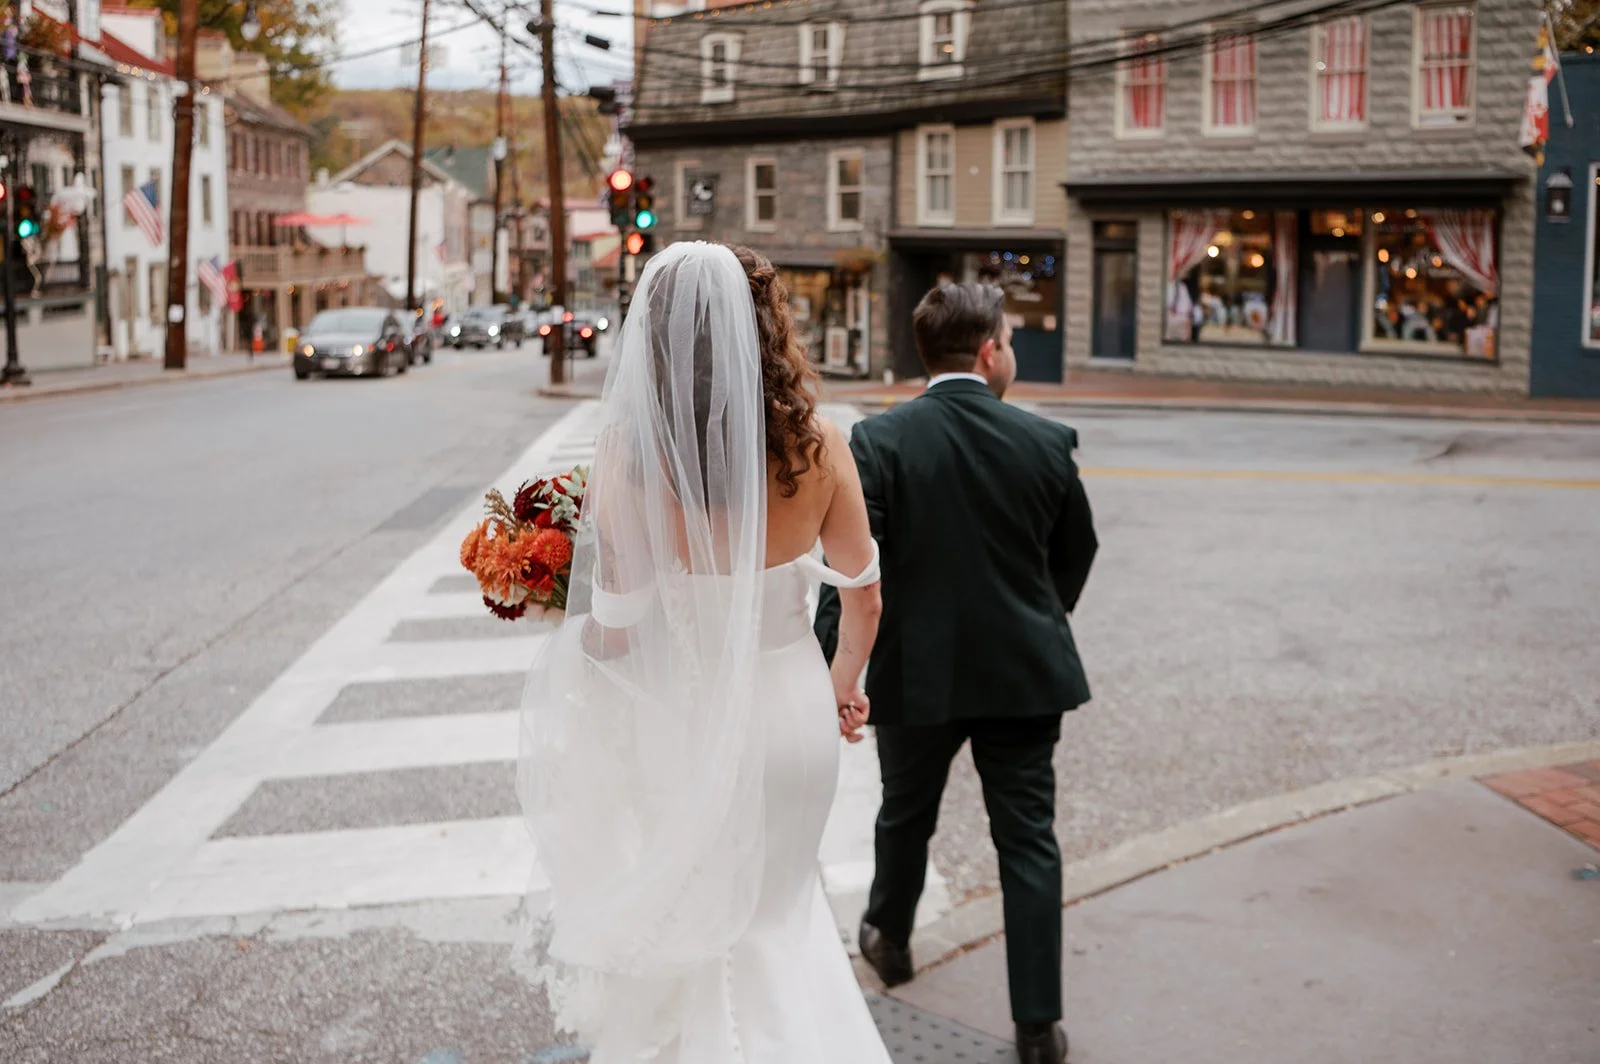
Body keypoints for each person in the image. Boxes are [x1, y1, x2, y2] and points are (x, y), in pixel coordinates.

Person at [514, 242, 890, 1064]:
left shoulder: (630, 458)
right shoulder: (821, 446)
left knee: (704, 919)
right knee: (784, 914)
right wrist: (840, 685)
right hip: (795, 716)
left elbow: (618, 629)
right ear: (765, 330)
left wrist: (562, 615)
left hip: (689, 720)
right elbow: (864, 597)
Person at [816, 283, 1098, 1064]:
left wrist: (834, 668)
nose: (1010, 353)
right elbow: (1075, 553)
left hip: (918, 672)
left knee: (905, 812)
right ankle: (1037, 1026)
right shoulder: (1045, 442)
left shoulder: (880, 442)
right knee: (1028, 840)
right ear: (987, 351)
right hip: (1024, 673)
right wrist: (1039, 614)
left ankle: (889, 938)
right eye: (1008, 341)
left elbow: (851, 569)